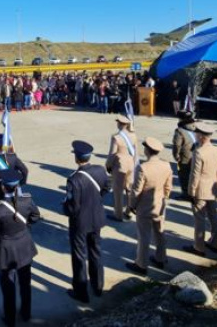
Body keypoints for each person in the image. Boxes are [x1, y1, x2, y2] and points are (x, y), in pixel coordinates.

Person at [0, 169, 41, 326]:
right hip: (24, 244)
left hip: (6, 249)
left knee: (8, 286)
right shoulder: (27, 200)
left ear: (3, 187)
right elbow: (35, 216)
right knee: (26, 283)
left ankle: (10, 319)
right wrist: (24, 228)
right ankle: (26, 313)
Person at [63, 140, 110, 303]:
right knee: (96, 252)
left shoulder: (74, 179)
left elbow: (72, 207)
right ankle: (98, 287)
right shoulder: (100, 170)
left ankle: (81, 292)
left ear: (77, 158)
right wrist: (96, 201)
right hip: (96, 219)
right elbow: (106, 187)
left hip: (80, 223)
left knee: (79, 257)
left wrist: (65, 210)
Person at [125, 137, 172, 275]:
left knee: (144, 236)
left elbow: (137, 190)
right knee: (160, 232)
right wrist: (163, 198)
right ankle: (161, 258)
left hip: (145, 206)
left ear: (147, 151)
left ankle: (141, 264)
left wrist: (131, 205)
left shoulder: (143, 168)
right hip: (160, 204)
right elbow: (168, 187)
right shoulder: (166, 165)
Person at [183, 123, 217, 257]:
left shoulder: (199, 152)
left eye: (197, 133)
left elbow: (195, 174)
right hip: (212, 188)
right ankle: (214, 243)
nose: (195, 135)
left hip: (200, 190)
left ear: (201, 136)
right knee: (214, 217)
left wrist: (191, 191)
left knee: (199, 219)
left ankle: (199, 247)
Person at [106, 115, 137, 222]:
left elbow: (112, 154)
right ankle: (129, 211)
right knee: (129, 189)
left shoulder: (116, 137)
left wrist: (108, 165)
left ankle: (118, 215)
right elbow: (135, 153)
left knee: (118, 191)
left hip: (120, 165)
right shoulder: (133, 135)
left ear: (120, 124)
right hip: (131, 164)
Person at [0, 134, 29, 204]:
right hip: (14, 189)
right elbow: (25, 170)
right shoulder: (14, 158)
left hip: (0, 192)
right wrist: (21, 183)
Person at [172, 110, 196, 201]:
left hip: (185, 157)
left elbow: (177, 145)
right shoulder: (195, 127)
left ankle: (186, 194)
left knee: (184, 175)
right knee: (194, 174)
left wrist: (176, 155)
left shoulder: (179, 131)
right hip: (196, 155)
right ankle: (194, 193)